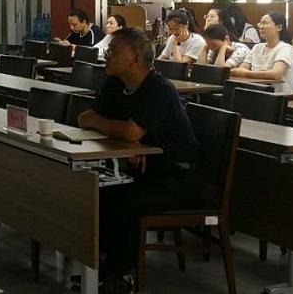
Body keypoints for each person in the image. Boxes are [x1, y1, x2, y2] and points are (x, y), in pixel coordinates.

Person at [76, 28, 200, 293]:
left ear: (135, 58)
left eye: (114, 51)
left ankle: (118, 277)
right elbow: (85, 118)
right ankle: (98, 268)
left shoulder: (159, 88)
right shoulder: (115, 82)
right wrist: (127, 137)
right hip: (141, 169)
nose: (107, 55)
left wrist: (123, 133)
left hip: (177, 176)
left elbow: (130, 131)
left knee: (125, 202)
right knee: (96, 194)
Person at [230, 12, 293, 93]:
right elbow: (242, 69)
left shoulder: (285, 48)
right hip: (260, 93)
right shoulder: (257, 48)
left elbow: (276, 74)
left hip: (283, 95)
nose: (261, 27)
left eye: (265, 23)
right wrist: (244, 72)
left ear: (279, 27)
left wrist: (247, 73)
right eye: (260, 23)